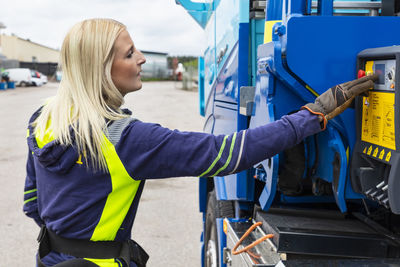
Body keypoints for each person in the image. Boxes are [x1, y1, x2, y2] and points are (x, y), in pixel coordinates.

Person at [23, 18, 377, 267]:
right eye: (130, 54)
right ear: (100, 69)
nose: (143, 59)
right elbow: (227, 154)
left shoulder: (43, 119)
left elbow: (32, 204)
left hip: (52, 259)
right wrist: (313, 114)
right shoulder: (125, 139)